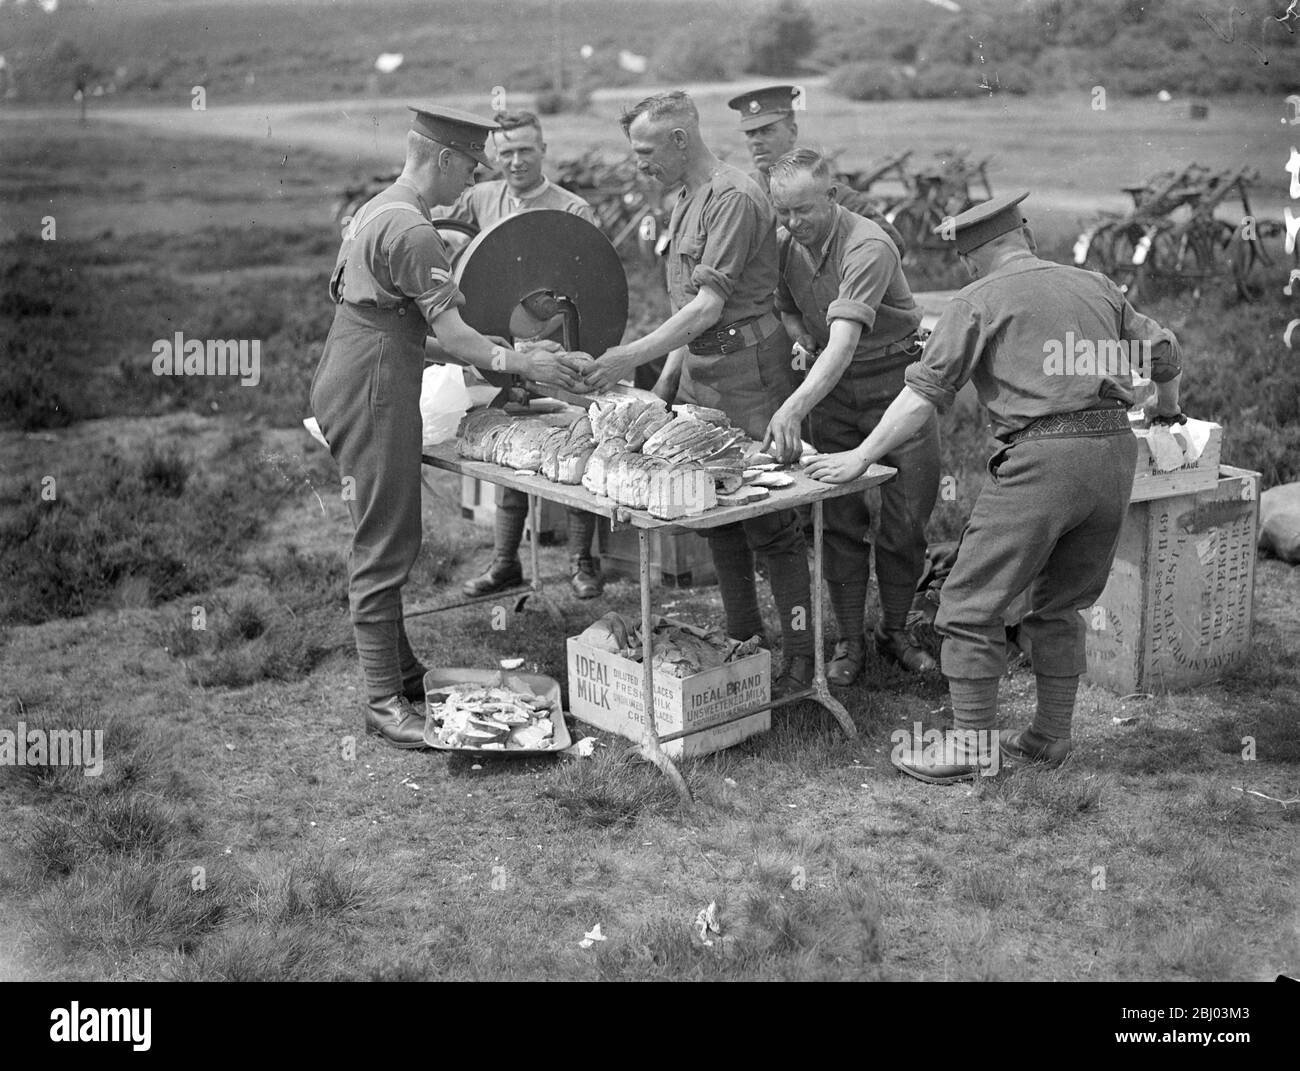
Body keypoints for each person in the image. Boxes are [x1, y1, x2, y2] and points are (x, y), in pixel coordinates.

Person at [806, 191, 1184, 782]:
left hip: (1044, 458)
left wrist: (858, 457)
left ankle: (970, 747)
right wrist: (1167, 408)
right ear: (1026, 235)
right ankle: (1050, 739)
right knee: (1061, 604)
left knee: (966, 603)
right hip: (1114, 454)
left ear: (969, 260)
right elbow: (1163, 352)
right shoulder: (1096, 284)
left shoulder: (976, 299)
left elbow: (921, 397)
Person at [310, 105, 587, 749]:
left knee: (387, 529)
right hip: (374, 388)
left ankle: (402, 673)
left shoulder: (379, 209)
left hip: (360, 369)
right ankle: (383, 701)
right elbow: (454, 336)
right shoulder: (413, 232)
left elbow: (399, 325)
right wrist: (522, 358)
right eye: (467, 166)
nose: (469, 181)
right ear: (441, 159)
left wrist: (492, 350)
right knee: (385, 540)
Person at [584, 90, 814, 697]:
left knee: (772, 522)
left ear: (681, 140)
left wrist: (630, 357)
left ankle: (800, 663)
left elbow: (711, 305)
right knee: (713, 513)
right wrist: (664, 384)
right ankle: (745, 638)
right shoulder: (686, 200)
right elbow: (690, 311)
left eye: (646, 150)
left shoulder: (734, 197)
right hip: (703, 372)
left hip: (750, 372)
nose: (639, 163)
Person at [761, 149, 940, 686]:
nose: (794, 223)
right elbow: (788, 308)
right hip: (833, 394)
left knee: (906, 518)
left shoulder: (869, 245)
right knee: (839, 520)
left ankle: (895, 629)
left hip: (898, 384)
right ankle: (848, 640)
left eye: (805, 211)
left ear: (833, 198)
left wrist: (793, 406)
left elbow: (843, 342)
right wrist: (799, 339)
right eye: (783, 212)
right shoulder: (786, 245)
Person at [438, 111, 608, 600]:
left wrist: (547, 343)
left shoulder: (571, 210)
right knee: (509, 457)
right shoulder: (480, 198)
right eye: (506, 152)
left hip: (560, 349)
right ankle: (504, 563)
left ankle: (582, 562)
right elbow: (446, 240)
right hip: (499, 354)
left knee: (576, 452)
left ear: (543, 150)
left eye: (525, 151)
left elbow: (587, 288)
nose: (515, 161)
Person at [725, 85, 907, 255]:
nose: (756, 141)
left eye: (766, 131)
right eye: (750, 133)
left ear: (793, 132)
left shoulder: (826, 192)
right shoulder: (741, 193)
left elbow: (890, 243)